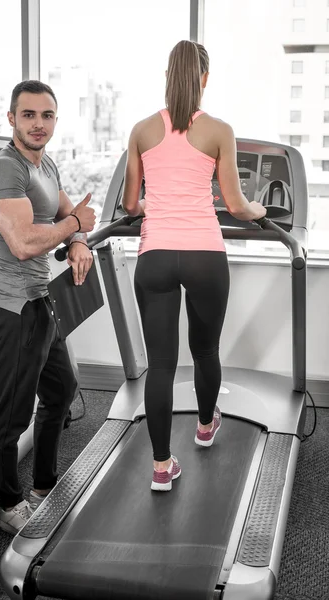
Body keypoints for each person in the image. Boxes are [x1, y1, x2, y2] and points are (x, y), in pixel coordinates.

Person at [122, 40, 266, 492]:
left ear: (168, 76)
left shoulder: (142, 130)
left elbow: (130, 203)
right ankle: (206, 427)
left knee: (161, 366)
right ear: (204, 77)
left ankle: (161, 467)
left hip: (155, 257)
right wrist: (261, 211)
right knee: (205, 350)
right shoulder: (219, 130)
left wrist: (155, 203)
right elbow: (237, 205)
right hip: (205, 255)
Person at [0, 80, 96, 533]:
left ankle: (43, 485)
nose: (38, 124)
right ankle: (9, 503)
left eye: (47, 115)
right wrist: (75, 225)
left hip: (41, 302)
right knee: (12, 412)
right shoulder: (6, 171)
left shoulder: (46, 166)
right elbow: (25, 244)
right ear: (11, 119)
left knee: (62, 389)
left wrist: (80, 240)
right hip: (13, 308)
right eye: (29, 115)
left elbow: (73, 215)